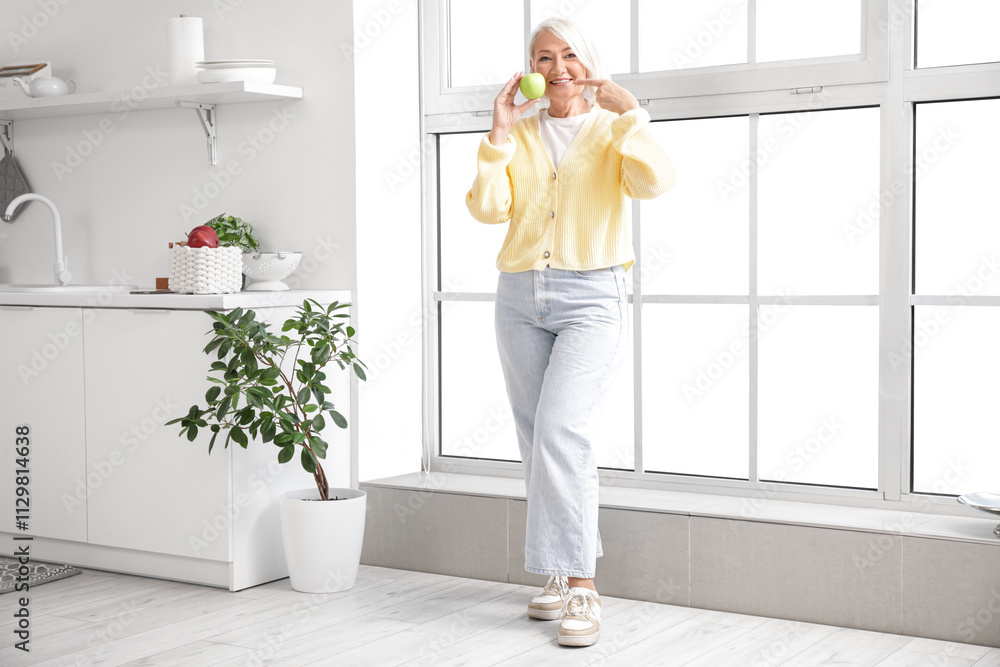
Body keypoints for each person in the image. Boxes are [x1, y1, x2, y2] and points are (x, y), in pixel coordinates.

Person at [466, 18, 676, 648]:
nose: (558, 69)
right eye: (543, 57)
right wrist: (498, 133)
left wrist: (634, 114)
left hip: (592, 297)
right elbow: (487, 210)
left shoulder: (614, 129)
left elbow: (655, 183)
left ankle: (583, 587)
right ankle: (557, 574)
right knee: (537, 441)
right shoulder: (521, 134)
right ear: (529, 67)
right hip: (519, 297)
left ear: (590, 63)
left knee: (563, 431)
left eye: (569, 56)